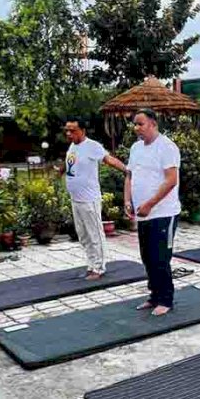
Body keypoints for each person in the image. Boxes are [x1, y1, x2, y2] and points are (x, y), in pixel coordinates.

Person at [123, 108, 181, 317]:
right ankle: (154, 295)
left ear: (153, 124)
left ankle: (166, 299)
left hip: (164, 213)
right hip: (143, 214)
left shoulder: (166, 147)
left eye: (141, 124)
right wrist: (127, 200)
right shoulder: (136, 148)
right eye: (135, 124)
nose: (137, 128)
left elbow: (171, 180)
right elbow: (129, 176)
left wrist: (149, 203)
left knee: (160, 258)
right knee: (147, 257)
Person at [61, 117, 128, 281]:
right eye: (67, 130)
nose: (69, 134)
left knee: (94, 234)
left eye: (72, 130)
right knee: (83, 235)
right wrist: (60, 170)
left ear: (82, 130)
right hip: (75, 199)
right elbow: (71, 165)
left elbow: (109, 159)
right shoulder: (72, 146)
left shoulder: (92, 146)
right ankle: (91, 265)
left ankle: (99, 268)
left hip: (89, 199)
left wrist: (127, 170)